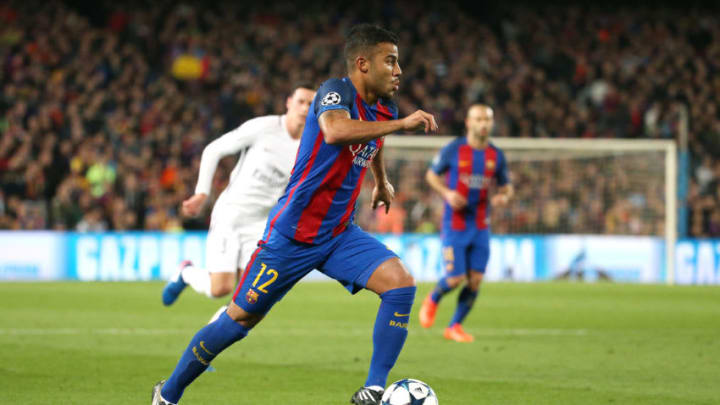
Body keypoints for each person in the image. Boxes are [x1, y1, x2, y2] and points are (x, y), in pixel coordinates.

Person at [151, 24, 438, 405]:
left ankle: (373, 389)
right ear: (363, 64)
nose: (399, 70)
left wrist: (381, 180)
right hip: (291, 237)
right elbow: (335, 132)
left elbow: (372, 138)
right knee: (237, 321)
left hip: (338, 234)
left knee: (400, 283)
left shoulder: (384, 107)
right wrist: (402, 125)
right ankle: (167, 395)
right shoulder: (334, 92)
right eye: (391, 61)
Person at [161, 83, 316, 307]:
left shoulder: (309, 147)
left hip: (260, 224)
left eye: (311, 105)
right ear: (289, 103)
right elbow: (213, 150)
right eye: (301, 101)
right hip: (231, 215)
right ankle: (186, 273)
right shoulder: (263, 127)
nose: (304, 108)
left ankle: (215, 337)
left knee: (249, 295)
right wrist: (202, 193)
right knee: (220, 288)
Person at [419, 104, 513, 342]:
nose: (483, 124)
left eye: (487, 119)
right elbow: (431, 175)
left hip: (481, 224)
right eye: (478, 119)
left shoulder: (496, 155)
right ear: (469, 123)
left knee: (476, 280)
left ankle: (454, 326)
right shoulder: (454, 149)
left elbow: (506, 185)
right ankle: (433, 298)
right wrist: (447, 194)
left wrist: (504, 196)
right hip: (455, 224)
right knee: (454, 278)